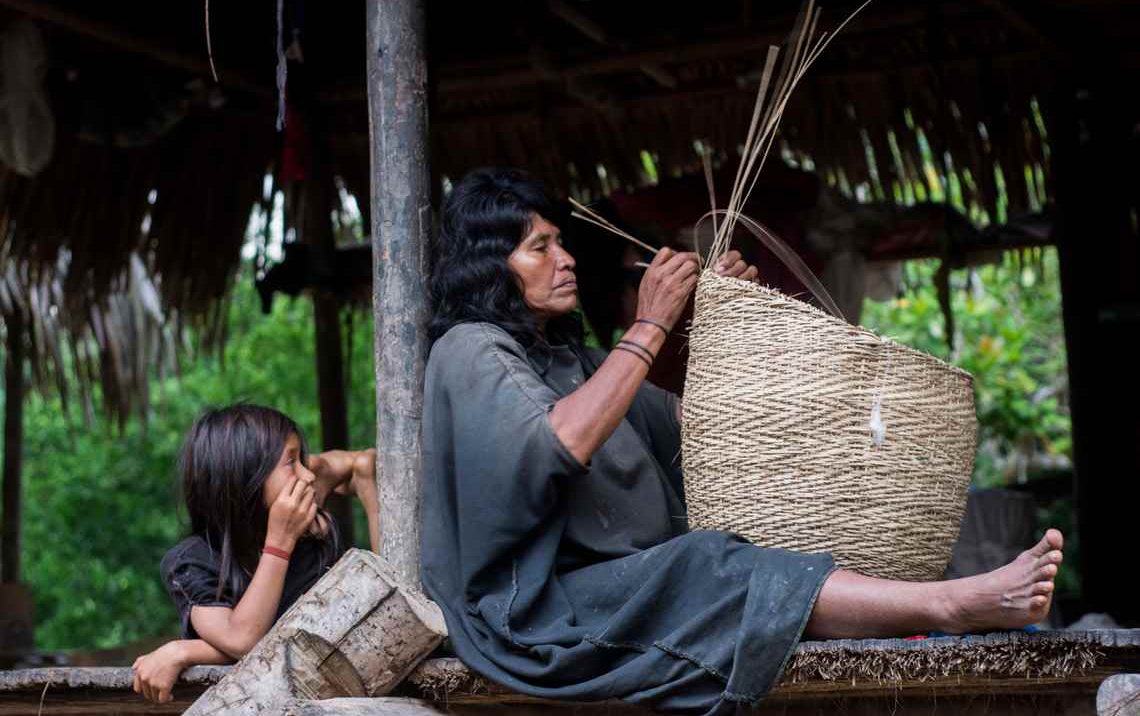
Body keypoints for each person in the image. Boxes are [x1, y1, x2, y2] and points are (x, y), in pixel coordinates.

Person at [420, 167, 1064, 715]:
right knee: (705, 563)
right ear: (491, 266)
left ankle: (926, 604)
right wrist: (650, 323)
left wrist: (725, 322)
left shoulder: (573, 361)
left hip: (621, 593)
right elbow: (556, 445)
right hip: (539, 617)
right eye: (539, 247)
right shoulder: (469, 349)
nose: (565, 259)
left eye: (562, 242)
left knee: (739, 546)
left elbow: (704, 429)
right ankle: (948, 604)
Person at [131, 404, 379, 704]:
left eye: (303, 460)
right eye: (291, 461)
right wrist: (280, 542)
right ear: (245, 478)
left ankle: (358, 475)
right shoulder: (191, 563)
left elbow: (338, 629)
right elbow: (241, 639)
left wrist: (184, 650)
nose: (306, 476)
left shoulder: (311, 539)